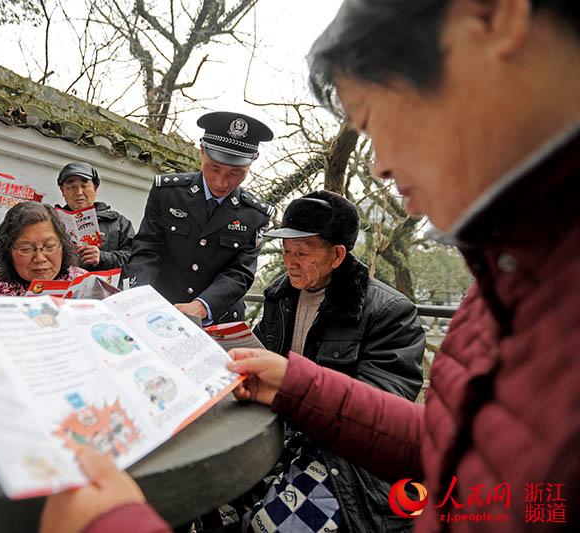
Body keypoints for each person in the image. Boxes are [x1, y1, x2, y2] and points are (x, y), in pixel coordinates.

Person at [41, 0, 580, 530]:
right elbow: (453, 447)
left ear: (490, 19)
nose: (382, 165)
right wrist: (294, 383)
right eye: (288, 250)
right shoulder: (503, 282)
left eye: (374, 119)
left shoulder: (434, 298)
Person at [196, 190, 425, 532]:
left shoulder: (389, 312)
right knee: (203, 488)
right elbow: (261, 349)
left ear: (337, 255)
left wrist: (296, 390)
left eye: (302, 253)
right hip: (274, 428)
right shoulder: (281, 293)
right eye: (287, 252)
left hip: (340, 456)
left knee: (266, 525)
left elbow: (380, 410)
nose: (290, 262)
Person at [128, 112, 274, 325]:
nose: (221, 183)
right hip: (160, 310)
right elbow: (147, 249)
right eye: (214, 168)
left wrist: (203, 305)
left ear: (253, 161)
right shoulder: (167, 193)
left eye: (235, 173)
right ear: (202, 151)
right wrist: (139, 296)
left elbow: (240, 272)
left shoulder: (255, 214)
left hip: (218, 318)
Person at [0, 201, 87, 296]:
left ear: (63, 246)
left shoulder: (83, 283)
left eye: (49, 247)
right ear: (8, 251)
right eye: (26, 249)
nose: (40, 258)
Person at [56, 162, 135, 274]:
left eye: (84, 186)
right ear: (62, 190)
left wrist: (102, 257)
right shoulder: (52, 222)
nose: (79, 192)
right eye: (72, 187)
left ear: (95, 188)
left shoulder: (118, 222)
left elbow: (136, 258)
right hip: (63, 289)